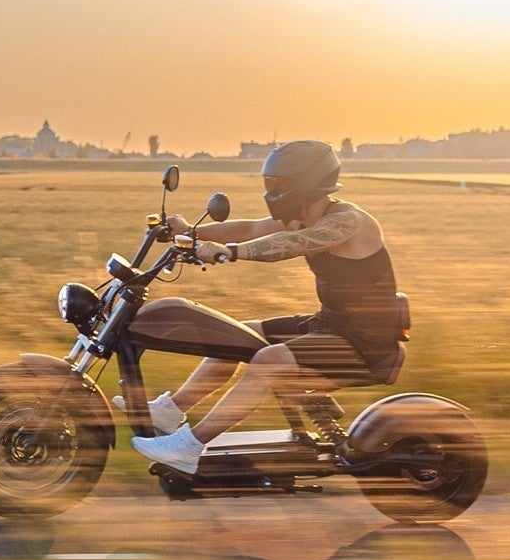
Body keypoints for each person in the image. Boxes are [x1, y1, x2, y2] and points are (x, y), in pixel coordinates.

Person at [128, 140, 406, 476]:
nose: (271, 192)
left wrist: (231, 252)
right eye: (270, 184)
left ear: (304, 183)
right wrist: (190, 233)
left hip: (364, 343)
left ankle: (187, 447)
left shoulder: (348, 222)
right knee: (236, 335)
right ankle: (172, 411)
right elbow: (252, 229)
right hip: (329, 325)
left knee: (267, 361)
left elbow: (292, 243)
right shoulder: (302, 217)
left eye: (278, 185)